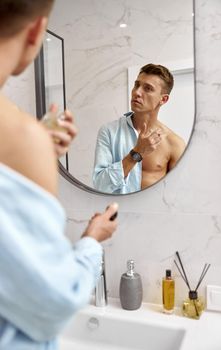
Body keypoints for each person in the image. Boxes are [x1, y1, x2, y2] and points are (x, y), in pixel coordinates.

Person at [0, 1, 118, 350]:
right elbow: (55, 302)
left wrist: (35, 153)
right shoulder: (18, 136)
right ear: (36, 31)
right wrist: (92, 240)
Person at [93, 63, 186, 194]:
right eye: (137, 85)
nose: (137, 92)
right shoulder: (109, 132)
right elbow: (99, 186)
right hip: (118, 212)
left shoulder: (174, 144)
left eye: (147, 88)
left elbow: (176, 196)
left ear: (163, 99)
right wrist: (136, 154)